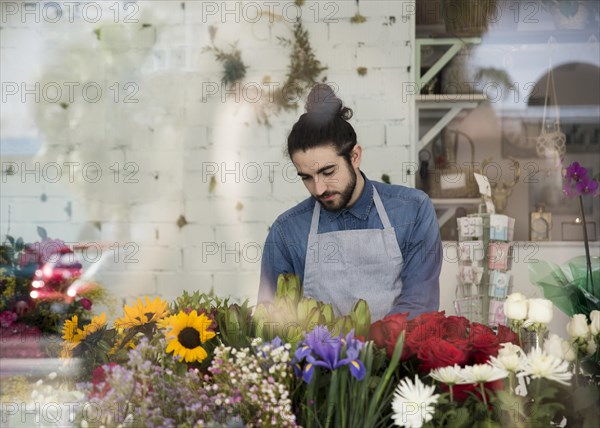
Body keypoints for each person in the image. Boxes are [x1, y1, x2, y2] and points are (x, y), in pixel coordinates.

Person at [258, 84, 442, 321]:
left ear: (355, 156)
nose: (319, 188)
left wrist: (362, 352)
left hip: (397, 357)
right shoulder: (286, 232)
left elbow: (419, 304)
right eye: (306, 177)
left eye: (328, 171)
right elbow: (272, 319)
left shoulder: (413, 211)